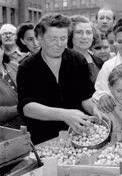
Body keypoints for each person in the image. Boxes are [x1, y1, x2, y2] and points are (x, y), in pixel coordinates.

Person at [17, 13, 103, 144]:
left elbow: (85, 96)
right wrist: (64, 114)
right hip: (43, 138)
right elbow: (27, 108)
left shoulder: (77, 60)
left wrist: (95, 110)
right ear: (39, 38)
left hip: (77, 136)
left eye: (63, 38)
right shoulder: (27, 67)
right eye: (53, 39)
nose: (59, 44)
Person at [68, 15, 103, 84]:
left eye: (88, 32)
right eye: (79, 32)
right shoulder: (62, 60)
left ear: (93, 37)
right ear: (71, 35)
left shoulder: (99, 62)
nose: (84, 37)